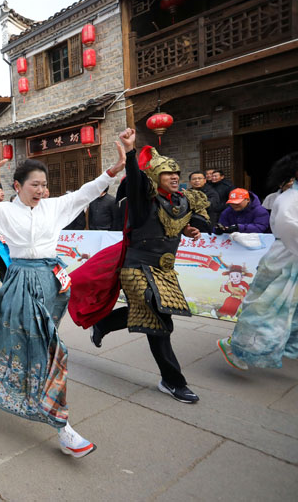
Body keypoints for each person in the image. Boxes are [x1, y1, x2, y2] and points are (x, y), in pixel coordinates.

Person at [0, 137, 127, 458]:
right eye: (34, 184)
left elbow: (84, 193)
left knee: (39, 346)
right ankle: (64, 427)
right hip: (21, 281)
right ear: (18, 186)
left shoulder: (54, 207)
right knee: (51, 349)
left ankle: (32, 390)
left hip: (52, 283)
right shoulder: (4, 212)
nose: (41, 190)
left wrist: (111, 172)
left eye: (44, 185)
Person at [87, 131, 210, 404]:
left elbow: (197, 223)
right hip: (137, 267)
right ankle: (172, 381)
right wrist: (131, 153)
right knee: (158, 322)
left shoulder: (181, 200)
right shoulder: (143, 200)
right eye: (167, 173)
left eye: (176, 172)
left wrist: (190, 229)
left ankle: (103, 323)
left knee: (152, 315)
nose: (175, 176)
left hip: (165, 271)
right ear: (155, 177)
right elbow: (135, 182)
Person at [217, 153, 298, 370]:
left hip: (291, 256)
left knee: (288, 309)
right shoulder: (288, 198)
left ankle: (287, 346)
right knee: (264, 306)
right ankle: (237, 346)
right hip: (285, 256)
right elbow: (289, 227)